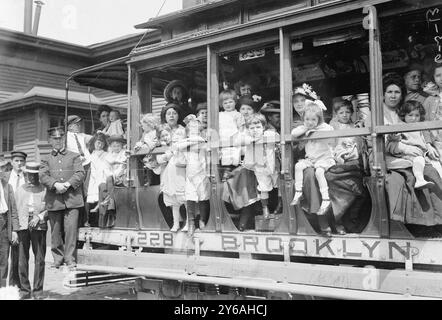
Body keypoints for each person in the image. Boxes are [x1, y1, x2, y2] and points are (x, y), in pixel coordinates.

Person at [39, 126, 85, 270]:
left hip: (72, 199)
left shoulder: (74, 156)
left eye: (60, 138)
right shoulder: (46, 158)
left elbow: (80, 173)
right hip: (54, 199)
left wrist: (67, 184)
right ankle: (57, 259)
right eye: (55, 138)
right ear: (50, 140)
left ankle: (70, 259)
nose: (58, 141)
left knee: (71, 230)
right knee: (55, 231)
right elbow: (42, 175)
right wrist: (55, 185)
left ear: (64, 139)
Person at [290, 102, 336, 228]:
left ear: (319, 119)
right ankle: (298, 193)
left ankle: (326, 201)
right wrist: (306, 128)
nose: (310, 122)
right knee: (299, 167)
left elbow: (329, 130)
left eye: (313, 120)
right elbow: (294, 133)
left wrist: (314, 129)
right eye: (307, 119)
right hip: (311, 160)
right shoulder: (305, 127)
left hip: (324, 159)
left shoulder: (324, 127)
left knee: (318, 172)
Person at [14, 162, 48, 300]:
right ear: (26, 175)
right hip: (23, 226)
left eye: (34, 175)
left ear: (38, 175)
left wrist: (39, 217)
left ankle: (38, 291)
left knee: (39, 259)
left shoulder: (44, 190)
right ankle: (25, 290)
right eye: (29, 175)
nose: (32, 178)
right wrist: (15, 229)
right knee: (22, 260)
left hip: (39, 227)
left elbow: (51, 208)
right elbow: (14, 211)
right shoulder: (20, 190)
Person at [389, 100, 442, 187]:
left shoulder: (420, 126)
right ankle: (419, 179)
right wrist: (394, 136)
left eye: (417, 115)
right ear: (404, 115)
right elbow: (395, 137)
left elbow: (425, 136)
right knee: (419, 160)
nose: (413, 118)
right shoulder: (401, 126)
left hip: (421, 153)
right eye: (410, 115)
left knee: (437, 165)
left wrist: (428, 146)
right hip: (406, 154)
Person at [176, 115, 210, 235]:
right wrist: (190, 141)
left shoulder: (203, 142)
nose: (194, 131)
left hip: (202, 173)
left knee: (203, 197)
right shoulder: (187, 143)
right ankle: (191, 223)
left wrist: (192, 141)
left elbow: (202, 142)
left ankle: (202, 220)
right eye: (191, 129)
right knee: (190, 197)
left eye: (197, 129)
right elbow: (178, 145)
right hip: (190, 173)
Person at [243, 114, 279, 219]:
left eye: (258, 127)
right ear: (248, 129)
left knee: (279, 184)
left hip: (272, 165)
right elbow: (240, 139)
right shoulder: (248, 139)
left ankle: (281, 204)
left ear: (263, 127)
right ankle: (265, 208)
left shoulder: (268, 134)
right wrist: (250, 140)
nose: (255, 130)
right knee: (264, 187)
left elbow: (277, 137)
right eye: (252, 128)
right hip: (260, 167)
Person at [153, 124, 186, 232]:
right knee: (173, 202)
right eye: (162, 136)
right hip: (168, 178)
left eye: (167, 135)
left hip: (180, 175)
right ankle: (176, 223)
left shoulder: (177, 146)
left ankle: (188, 223)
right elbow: (158, 160)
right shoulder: (162, 148)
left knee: (184, 199)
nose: (165, 138)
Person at [4, 150, 27, 289]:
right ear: (12, 162)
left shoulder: (28, 177)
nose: (19, 164)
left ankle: (14, 286)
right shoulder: (4, 177)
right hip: (5, 219)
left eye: (22, 161)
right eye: (16, 161)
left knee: (18, 257)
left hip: (21, 220)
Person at [85, 133, 111, 227]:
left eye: (101, 143)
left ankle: (101, 222)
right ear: (94, 143)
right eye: (98, 143)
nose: (99, 145)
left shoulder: (107, 154)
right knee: (92, 200)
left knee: (101, 198)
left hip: (102, 178)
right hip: (93, 179)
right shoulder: (90, 155)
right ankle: (91, 221)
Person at [0, 171, 19, 288]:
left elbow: (13, 210)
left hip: (4, 224)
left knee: (3, 260)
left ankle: (1, 290)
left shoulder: (7, 186)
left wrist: (14, 230)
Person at [218, 89, 242, 180]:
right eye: (225, 103)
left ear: (235, 102)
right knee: (224, 164)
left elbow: (241, 129)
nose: (228, 105)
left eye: (230, 102)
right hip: (223, 141)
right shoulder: (220, 115)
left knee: (234, 162)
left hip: (234, 141)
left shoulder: (238, 115)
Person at [330, 100, 360, 165]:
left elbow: (355, 142)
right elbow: (331, 144)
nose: (344, 115)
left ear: (351, 113)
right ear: (336, 114)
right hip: (337, 154)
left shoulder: (354, 126)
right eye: (341, 113)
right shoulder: (333, 126)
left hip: (350, 153)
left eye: (347, 112)